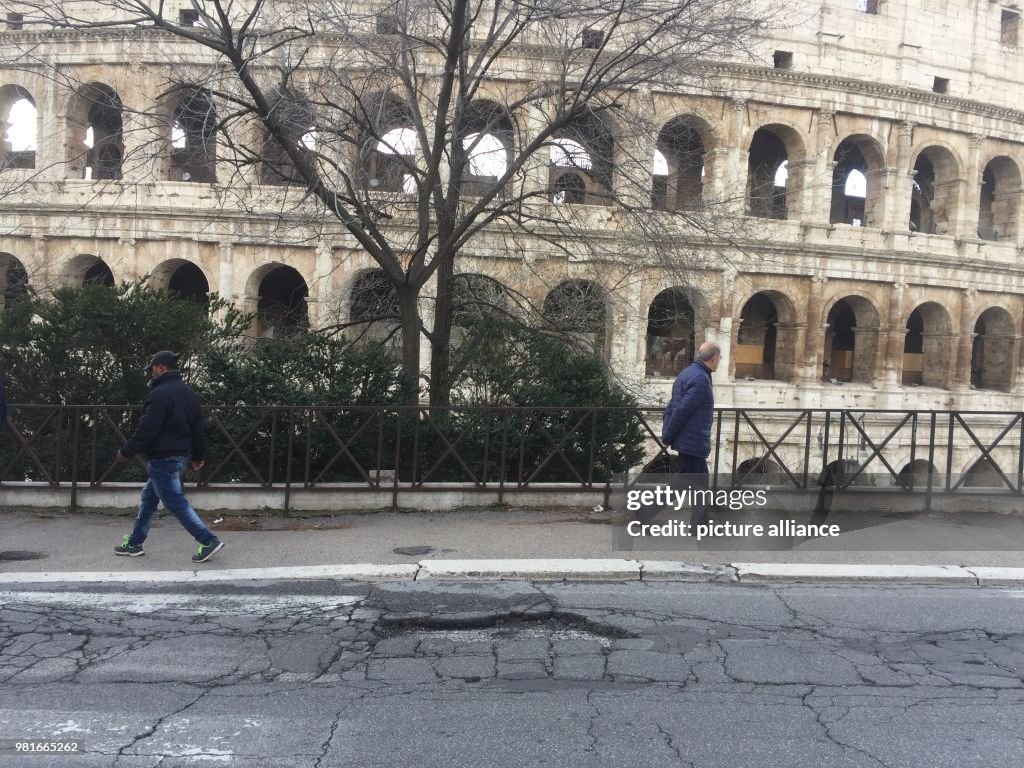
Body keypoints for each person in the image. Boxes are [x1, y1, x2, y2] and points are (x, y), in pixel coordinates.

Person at [114, 351, 224, 563]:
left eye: (152, 369)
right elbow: (198, 428)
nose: (150, 374)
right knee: (149, 498)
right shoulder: (188, 394)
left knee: (174, 501)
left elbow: (147, 429)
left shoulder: (159, 395)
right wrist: (198, 455)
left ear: (161, 368)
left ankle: (208, 540)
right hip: (179, 457)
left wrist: (126, 451)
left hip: (162, 458)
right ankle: (135, 542)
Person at [661, 341, 722, 527]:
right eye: (719, 358)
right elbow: (682, 410)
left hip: (688, 439)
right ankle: (643, 513)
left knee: (692, 483)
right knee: (692, 483)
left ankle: (699, 524)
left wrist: (669, 434)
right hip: (692, 440)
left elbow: (673, 406)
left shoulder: (687, 373)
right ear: (714, 358)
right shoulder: (701, 379)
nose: (719, 362)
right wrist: (667, 437)